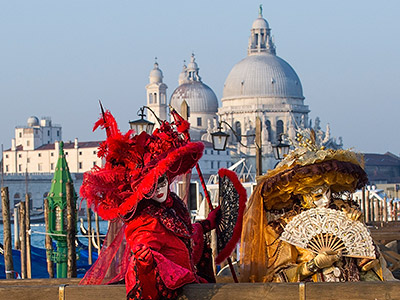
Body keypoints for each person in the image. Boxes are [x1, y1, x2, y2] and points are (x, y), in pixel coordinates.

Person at [80, 111, 219, 299]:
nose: (160, 189)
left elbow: (180, 237)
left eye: (162, 182)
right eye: (153, 186)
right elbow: (144, 245)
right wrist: (145, 263)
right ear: (144, 190)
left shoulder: (171, 207)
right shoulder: (146, 220)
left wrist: (206, 225)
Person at [240, 130, 396, 283]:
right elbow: (277, 280)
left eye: (328, 192)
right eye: (317, 196)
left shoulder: (345, 212)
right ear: (301, 195)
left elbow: (369, 264)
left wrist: (359, 229)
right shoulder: (282, 228)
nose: (326, 201)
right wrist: (312, 265)